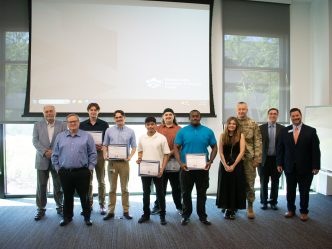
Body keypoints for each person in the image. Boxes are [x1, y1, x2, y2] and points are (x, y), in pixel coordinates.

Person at [52, 114, 97, 226]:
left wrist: (90, 169)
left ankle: (87, 217)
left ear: (78, 122)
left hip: (82, 172)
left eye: (74, 121)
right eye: (70, 122)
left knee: (84, 196)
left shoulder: (87, 136)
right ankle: (67, 217)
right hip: (65, 172)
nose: (72, 123)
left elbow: (93, 153)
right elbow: (55, 154)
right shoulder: (60, 136)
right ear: (67, 123)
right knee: (67, 196)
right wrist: (58, 168)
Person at [174, 110, 217, 225]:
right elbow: (176, 148)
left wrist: (210, 161)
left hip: (202, 169)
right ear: (189, 118)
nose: (195, 118)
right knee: (185, 193)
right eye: (192, 116)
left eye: (197, 116)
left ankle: (202, 216)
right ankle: (186, 215)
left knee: (202, 193)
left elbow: (214, 147)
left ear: (200, 117)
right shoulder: (182, 131)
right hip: (186, 168)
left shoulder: (208, 131)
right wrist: (180, 163)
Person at [277, 108, 320, 221]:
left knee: (304, 191)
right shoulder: (285, 131)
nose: (295, 118)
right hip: (289, 166)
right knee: (290, 190)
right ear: (290, 117)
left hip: (306, 167)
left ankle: (304, 211)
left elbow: (315, 150)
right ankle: (291, 210)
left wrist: (316, 166)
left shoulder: (311, 131)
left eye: (297, 115)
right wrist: (279, 163)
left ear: (300, 116)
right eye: (293, 116)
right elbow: (280, 149)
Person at [32, 105, 66, 221]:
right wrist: (45, 151)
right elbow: (35, 141)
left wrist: (54, 152)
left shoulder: (62, 124)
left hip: (57, 159)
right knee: (41, 186)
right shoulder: (37, 125)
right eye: (47, 111)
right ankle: (41, 208)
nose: (49, 113)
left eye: (51, 111)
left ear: (55, 112)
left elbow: (64, 140)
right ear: (44, 113)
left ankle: (59, 207)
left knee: (58, 185)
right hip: (42, 159)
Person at [103, 110, 137, 221]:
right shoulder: (109, 130)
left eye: (120, 117)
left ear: (124, 118)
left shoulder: (131, 131)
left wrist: (130, 157)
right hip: (112, 163)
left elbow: (134, 147)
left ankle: (126, 211)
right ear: (114, 119)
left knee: (125, 188)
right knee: (112, 188)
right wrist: (104, 155)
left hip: (124, 163)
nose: (119, 119)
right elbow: (105, 145)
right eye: (116, 117)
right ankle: (110, 211)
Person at [136, 116, 170, 225]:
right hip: (145, 170)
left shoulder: (161, 138)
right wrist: (139, 159)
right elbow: (140, 151)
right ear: (145, 126)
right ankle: (146, 214)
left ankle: (162, 215)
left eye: (152, 124)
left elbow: (166, 154)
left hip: (158, 170)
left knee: (160, 193)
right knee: (146, 193)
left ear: (156, 125)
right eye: (148, 124)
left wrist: (162, 169)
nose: (150, 126)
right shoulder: (141, 137)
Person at [151, 108, 182, 215]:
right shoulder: (157, 128)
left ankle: (179, 207)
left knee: (176, 187)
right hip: (161, 162)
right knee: (160, 187)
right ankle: (157, 206)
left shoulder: (179, 129)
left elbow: (181, 144)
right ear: (163, 117)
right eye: (166, 115)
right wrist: (165, 155)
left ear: (173, 116)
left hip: (175, 161)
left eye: (170, 114)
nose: (168, 116)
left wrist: (170, 153)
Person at [79, 103, 109, 215]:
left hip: (100, 154)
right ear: (88, 111)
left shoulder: (104, 124)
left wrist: (102, 146)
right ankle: (89, 204)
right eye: (91, 110)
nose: (93, 112)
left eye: (95, 110)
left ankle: (102, 204)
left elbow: (107, 140)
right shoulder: (82, 125)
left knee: (101, 181)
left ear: (98, 112)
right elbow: (80, 140)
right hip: (87, 155)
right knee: (88, 182)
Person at [236, 101, 262, 219]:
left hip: (248, 159)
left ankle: (250, 206)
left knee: (250, 184)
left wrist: (257, 159)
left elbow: (258, 141)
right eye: (239, 109)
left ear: (247, 110)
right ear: (237, 110)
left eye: (243, 109)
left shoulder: (253, 123)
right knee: (234, 183)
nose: (241, 111)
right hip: (234, 159)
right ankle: (233, 205)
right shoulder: (232, 122)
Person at [216, 117, 246, 220]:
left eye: (234, 124)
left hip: (237, 165)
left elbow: (242, 152)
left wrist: (233, 165)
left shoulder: (241, 136)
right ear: (227, 125)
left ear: (236, 125)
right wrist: (225, 165)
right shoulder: (222, 135)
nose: (232, 125)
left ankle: (231, 210)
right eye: (230, 123)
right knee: (225, 186)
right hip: (224, 164)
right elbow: (220, 152)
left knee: (234, 187)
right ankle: (225, 206)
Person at [258, 108, 283, 210]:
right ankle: (264, 202)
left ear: (277, 115)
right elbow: (257, 144)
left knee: (275, 181)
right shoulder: (261, 128)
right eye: (271, 114)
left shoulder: (283, 128)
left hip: (277, 160)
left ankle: (273, 201)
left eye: (275, 114)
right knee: (263, 181)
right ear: (268, 115)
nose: (273, 115)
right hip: (264, 159)